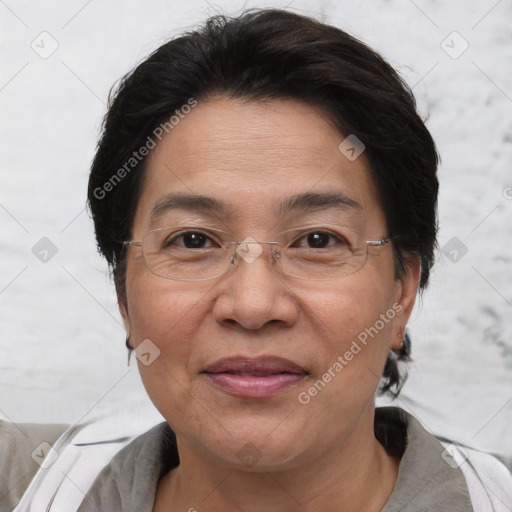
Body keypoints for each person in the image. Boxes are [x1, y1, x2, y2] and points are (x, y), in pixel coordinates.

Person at [3, 8, 511, 512]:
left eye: (316, 240)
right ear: (123, 292)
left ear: (401, 292)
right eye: (194, 240)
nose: (252, 304)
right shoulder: (26, 487)